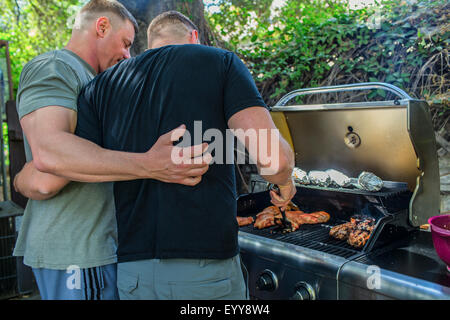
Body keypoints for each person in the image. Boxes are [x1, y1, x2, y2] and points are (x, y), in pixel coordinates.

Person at [73, 11, 296, 300]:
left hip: (132, 275)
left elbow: (82, 164)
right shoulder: (220, 62)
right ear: (194, 37)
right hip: (204, 275)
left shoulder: (99, 87)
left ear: (149, 44)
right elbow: (274, 160)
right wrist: (286, 181)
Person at [13, 2, 210, 300]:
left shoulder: (99, 82)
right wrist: (149, 164)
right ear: (101, 26)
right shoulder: (57, 67)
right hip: (78, 253)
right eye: (126, 43)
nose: (128, 55)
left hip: (105, 250)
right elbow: (49, 160)